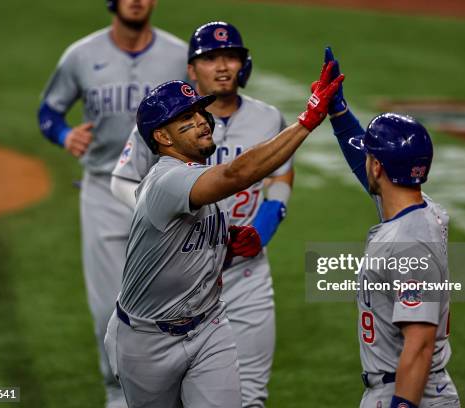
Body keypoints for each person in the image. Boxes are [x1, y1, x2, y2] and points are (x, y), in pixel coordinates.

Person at [104, 72, 343, 408]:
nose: (202, 121)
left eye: (201, 113)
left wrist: (224, 239)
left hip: (209, 327)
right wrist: (307, 120)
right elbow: (236, 174)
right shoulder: (167, 180)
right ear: (162, 136)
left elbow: (185, 236)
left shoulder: (196, 175)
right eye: (187, 117)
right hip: (147, 339)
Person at [110, 21, 293, 407]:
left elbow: (281, 176)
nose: (223, 66)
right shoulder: (161, 123)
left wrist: (263, 226)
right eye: (211, 58)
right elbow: (123, 181)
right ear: (192, 68)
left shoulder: (267, 118)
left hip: (243, 274)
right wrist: (166, 217)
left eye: (231, 57)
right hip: (175, 277)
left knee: (251, 397)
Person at [36, 1, 187, 406]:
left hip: (163, 192)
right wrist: (65, 134)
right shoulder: (81, 55)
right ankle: (117, 394)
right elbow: (48, 112)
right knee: (108, 308)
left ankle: (171, 392)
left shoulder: (178, 55)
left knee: (169, 300)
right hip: (103, 191)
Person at [322, 48, 460, 408]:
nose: (365, 161)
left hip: (407, 391)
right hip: (412, 388)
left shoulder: (409, 244)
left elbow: (418, 344)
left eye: (371, 157)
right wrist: (339, 114)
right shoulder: (421, 209)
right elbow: (366, 164)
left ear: (379, 168)